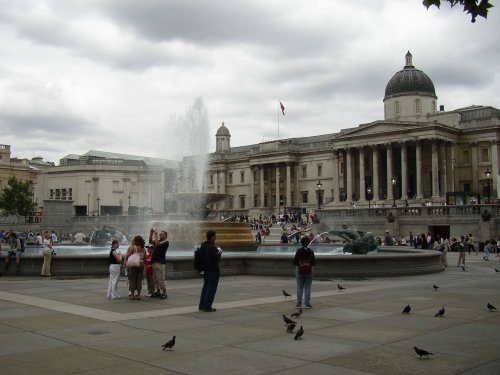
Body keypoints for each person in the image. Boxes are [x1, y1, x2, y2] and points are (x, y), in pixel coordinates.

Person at [198, 230, 222, 312]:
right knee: (211, 288)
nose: (216, 237)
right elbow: (216, 259)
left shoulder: (203, 245)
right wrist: (219, 253)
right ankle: (207, 306)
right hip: (213, 269)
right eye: (215, 236)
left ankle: (202, 305)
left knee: (205, 287)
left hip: (205, 269)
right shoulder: (212, 247)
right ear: (212, 237)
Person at [293, 236, 315, 309]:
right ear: (308, 243)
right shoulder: (311, 251)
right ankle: (307, 303)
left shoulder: (298, 251)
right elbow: (313, 263)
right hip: (309, 271)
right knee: (308, 287)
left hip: (299, 270)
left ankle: (298, 303)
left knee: (299, 287)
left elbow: (295, 262)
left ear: (301, 243)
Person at [148, 228, 169, 299]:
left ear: (166, 236)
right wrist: (151, 233)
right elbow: (150, 241)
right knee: (155, 279)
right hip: (154, 261)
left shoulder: (165, 242)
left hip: (160, 262)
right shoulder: (159, 240)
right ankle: (158, 291)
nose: (160, 234)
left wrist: (156, 235)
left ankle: (164, 293)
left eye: (162, 234)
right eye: (160, 233)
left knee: (160, 279)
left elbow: (156, 244)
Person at [125, 235, 145, 300]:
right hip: (141, 264)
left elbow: (128, 255)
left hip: (134, 264)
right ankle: (138, 295)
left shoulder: (134, 248)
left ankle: (133, 295)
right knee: (139, 280)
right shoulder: (144, 248)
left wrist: (126, 259)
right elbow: (144, 258)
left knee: (132, 279)